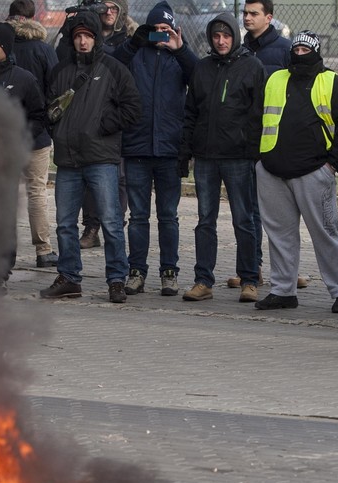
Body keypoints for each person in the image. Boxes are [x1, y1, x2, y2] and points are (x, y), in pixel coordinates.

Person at [39, 11, 141, 303]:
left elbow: (133, 107)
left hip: (101, 158)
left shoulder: (114, 69)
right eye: (78, 36)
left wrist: (103, 126)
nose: (83, 41)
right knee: (65, 223)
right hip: (68, 161)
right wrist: (58, 128)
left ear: (96, 38)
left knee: (110, 222)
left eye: (88, 36)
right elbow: (49, 107)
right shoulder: (60, 71)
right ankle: (69, 278)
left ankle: (117, 280)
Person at [253, 31, 338, 312]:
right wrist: (259, 160)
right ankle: (283, 291)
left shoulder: (333, 82)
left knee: (326, 233)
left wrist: (333, 164)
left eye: (304, 49)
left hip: (314, 172)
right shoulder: (275, 78)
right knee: (279, 235)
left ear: (316, 51)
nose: (299, 53)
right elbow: (257, 116)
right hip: (272, 170)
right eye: (295, 48)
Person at [111, 1, 198, 296]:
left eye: (167, 29)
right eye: (156, 30)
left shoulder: (179, 57)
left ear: (175, 30)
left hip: (169, 150)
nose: (161, 35)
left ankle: (169, 272)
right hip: (136, 148)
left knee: (168, 216)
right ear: (147, 30)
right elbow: (111, 65)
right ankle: (136, 271)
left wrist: (180, 48)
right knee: (137, 217)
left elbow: (200, 78)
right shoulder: (135, 55)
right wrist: (134, 43)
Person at [178, 14, 265, 303]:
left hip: (239, 157)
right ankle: (203, 281)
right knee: (205, 221)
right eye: (216, 36)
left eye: (226, 35)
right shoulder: (202, 68)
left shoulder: (252, 67)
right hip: (205, 158)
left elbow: (259, 115)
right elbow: (190, 112)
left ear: (235, 37)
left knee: (244, 220)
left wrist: (254, 152)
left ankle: (249, 280)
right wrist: (186, 151)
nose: (221, 41)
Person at [0, 23, 53, 277]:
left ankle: (5, 265)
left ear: (6, 49)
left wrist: (21, 139)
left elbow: (39, 115)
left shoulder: (23, 78)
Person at [238, 0, 293, 290]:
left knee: (280, 214)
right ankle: (253, 269)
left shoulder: (284, 50)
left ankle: (288, 271)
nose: (247, 18)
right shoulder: (241, 48)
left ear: (268, 18)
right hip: (248, 142)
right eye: (245, 13)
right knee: (250, 211)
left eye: (253, 14)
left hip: (278, 144)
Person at [5, 3, 61, 269]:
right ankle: (44, 250)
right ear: (32, 18)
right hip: (37, 135)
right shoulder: (44, 49)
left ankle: (4, 253)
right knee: (37, 192)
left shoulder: (2, 47)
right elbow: (57, 87)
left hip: (5, 135)